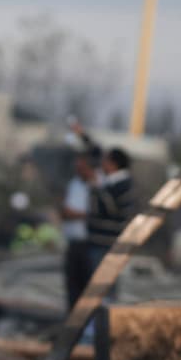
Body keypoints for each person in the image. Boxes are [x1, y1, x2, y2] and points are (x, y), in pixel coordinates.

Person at [62, 123, 102, 309]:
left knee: (90, 289)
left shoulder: (97, 183)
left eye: (82, 162)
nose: (78, 165)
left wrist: (83, 134)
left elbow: (97, 150)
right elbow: (65, 211)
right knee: (73, 288)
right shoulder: (74, 184)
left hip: (90, 243)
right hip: (73, 243)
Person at [87, 147, 137, 270]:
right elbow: (95, 148)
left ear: (113, 164)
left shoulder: (121, 185)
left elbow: (109, 209)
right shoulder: (114, 183)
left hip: (107, 244)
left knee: (103, 284)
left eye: (105, 161)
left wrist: (96, 189)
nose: (102, 164)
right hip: (103, 243)